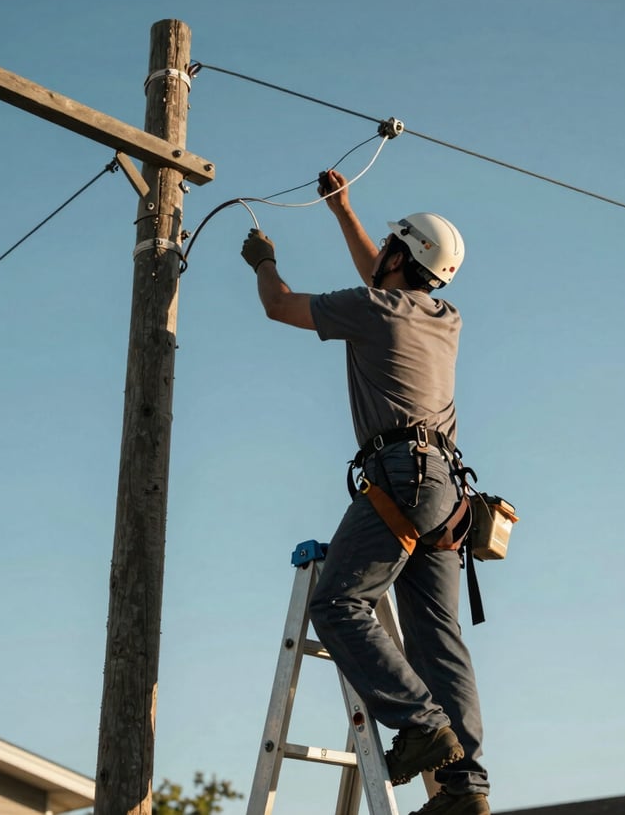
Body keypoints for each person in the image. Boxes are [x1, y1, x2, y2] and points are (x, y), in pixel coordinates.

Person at [240, 169, 491, 815]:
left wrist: (264, 263)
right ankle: (465, 787)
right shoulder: (444, 315)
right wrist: (342, 208)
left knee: (340, 603)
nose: (377, 255)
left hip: (399, 478)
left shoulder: (372, 308)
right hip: (446, 493)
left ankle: (419, 723)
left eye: (388, 248)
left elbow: (279, 305)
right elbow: (382, 272)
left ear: (400, 257)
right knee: (438, 638)